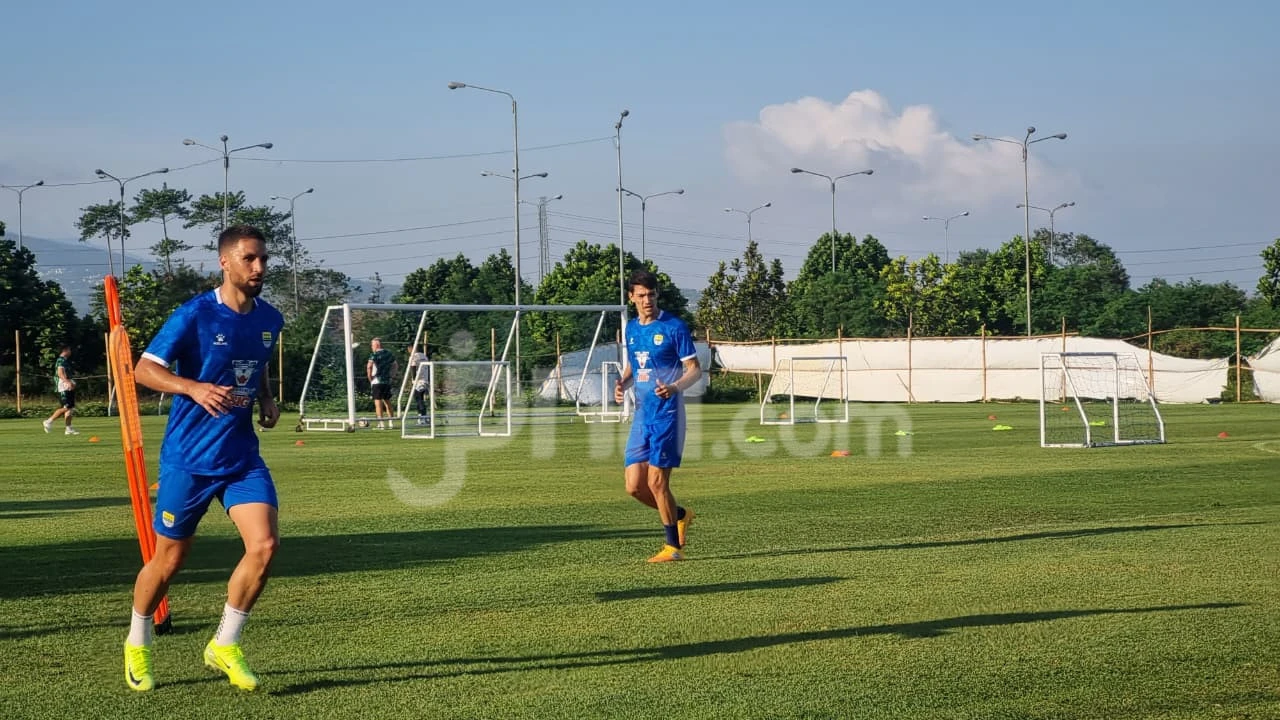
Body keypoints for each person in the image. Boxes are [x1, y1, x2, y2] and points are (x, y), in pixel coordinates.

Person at [122, 225, 284, 693]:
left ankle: (225, 644)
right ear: (225, 262)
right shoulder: (194, 314)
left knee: (265, 546)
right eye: (250, 259)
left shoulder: (270, 318)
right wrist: (192, 387)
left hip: (241, 459)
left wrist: (266, 400)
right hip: (189, 460)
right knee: (168, 561)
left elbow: (258, 360)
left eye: (263, 260)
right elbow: (143, 368)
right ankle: (138, 640)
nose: (259, 268)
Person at [614, 270, 702, 563]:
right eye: (641, 295)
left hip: (668, 415)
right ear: (631, 298)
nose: (647, 300)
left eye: (651, 294)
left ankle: (672, 548)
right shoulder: (632, 329)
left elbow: (694, 369)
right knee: (633, 486)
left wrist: (675, 387)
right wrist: (622, 383)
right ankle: (680, 515)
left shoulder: (674, 327)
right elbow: (634, 365)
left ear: (657, 295)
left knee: (656, 483)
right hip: (643, 416)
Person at [43, 345, 80, 435]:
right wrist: (68, 382)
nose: (70, 352)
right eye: (69, 350)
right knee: (66, 407)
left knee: (69, 408)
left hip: (67, 386)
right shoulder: (61, 360)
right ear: (65, 350)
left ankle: (68, 428)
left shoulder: (65, 361)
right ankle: (48, 421)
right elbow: (60, 373)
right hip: (63, 387)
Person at [367, 337, 398, 429]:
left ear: (376, 345)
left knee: (378, 402)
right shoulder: (389, 354)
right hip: (386, 381)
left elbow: (369, 366)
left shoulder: (374, 354)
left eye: (372, 345)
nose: (371, 347)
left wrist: (370, 378)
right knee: (387, 402)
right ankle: (391, 422)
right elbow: (395, 365)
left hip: (377, 380)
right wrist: (392, 375)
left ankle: (381, 423)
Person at [407, 344, 431, 426]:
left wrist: (413, 380)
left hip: (419, 380)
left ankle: (423, 418)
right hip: (425, 380)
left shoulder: (413, 356)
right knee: (421, 399)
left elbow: (413, 368)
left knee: (418, 399)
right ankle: (422, 417)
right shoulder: (424, 356)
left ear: (412, 348)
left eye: (409, 349)